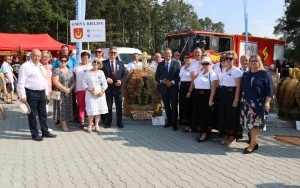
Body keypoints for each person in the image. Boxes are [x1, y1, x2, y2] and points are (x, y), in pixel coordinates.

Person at [18, 49, 57, 141]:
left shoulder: (40, 66)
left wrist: (46, 92)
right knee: (32, 115)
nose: (37, 58)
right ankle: (35, 134)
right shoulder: (25, 66)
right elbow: (21, 82)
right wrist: (22, 96)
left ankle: (45, 131)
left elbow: (44, 80)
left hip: (41, 93)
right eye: (35, 55)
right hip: (31, 93)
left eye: (39, 56)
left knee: (43, 114)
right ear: (31, 56)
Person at [240, 54, 273, 154]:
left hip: (257, 104)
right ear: (249, 63)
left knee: (255, 125)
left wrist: (267, 102)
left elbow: (270, 89)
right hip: (246, 103)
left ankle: (251, 146)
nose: (253, 62)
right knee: (250, 124)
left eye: (256, 61)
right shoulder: (246, 74)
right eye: (252, 60)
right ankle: (254, 142)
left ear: (259, 62)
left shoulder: (264, 74)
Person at [218, 51, 243, 146]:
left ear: (234, 59)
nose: (228, 60)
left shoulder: (236, 71)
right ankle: (225, 135)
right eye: (226, 58)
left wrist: (236, 99)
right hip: (223, 94)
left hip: (232, 95)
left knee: (232, 116)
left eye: (230, 58)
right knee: (224, 115)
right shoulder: (224, 70)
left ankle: (232, 136)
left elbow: (238, 86)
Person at [192, 56, 217, 142]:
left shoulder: (212, 74)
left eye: (207, 63)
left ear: (210, 64)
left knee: (205, 115)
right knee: (199, 114)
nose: (205, 65)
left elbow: (213, 88)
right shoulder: (201, 72)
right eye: (203, 63)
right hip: (198, 95)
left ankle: (205, 133)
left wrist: (210, 100)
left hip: (206, 96)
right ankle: (201, 130)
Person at [155, 48, 181, 131]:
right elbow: (156, 77)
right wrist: (161, 81)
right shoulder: (160, 64)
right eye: (166, 53)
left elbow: (178, 77)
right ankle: (169, 121)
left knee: (174, 106)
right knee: (166, 106)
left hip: (173, 88)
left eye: (169, 53)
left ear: (171, 54)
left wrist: (172, 82)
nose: (167, 55)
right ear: (164, 55)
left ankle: (174, 123)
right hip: (164, 88)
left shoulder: (176, 63)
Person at [101, 46, 126, 128]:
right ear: (108, 53)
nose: (113, 54)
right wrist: (107, 78)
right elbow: (100, 74)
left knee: (119, 106)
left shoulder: (121, 63)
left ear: (116, 54)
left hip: (118, 88)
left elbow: (124, 75)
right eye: (111, 52)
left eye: (114, 53)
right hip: (108, 88)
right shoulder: (103, 63)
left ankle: (119, 122)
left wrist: (121, 81)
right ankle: (108, 122)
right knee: (109, 106)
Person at [83, 58, 108, 132]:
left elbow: (105, 84)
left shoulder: (101, 72)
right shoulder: (87, 72)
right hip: (90, 94)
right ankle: (90, 125)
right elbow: (84, 83)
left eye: (98, 62)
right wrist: (90, 90)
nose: (96, 63)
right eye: (94, 62)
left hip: (100, 94)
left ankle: (97, 125)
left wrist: (102, 91)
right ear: (92, 63)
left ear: (100, 64)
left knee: (98, 110)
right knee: (91, 110)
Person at [52, 55, 75, 131]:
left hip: (68, 92)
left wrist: (70, 88)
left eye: (65, 61)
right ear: (59, 61)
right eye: (62, 60)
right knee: (61, 108)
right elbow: (55, 81)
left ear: (67, 61)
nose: (63, 62)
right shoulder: (57, 70)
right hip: (60, 92)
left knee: (67, 108)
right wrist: (64, 89)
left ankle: (62, 123)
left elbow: (74, 81)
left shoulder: (70, 71)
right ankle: (64, 124)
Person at [74, 51, 93, 128]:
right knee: (81, 105)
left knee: (90, 105)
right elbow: (73, 77)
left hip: (89, 89)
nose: (84, 59)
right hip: (79, 88)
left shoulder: (91, 66)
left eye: (86, 57)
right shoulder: (76, 67)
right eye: (83, 57)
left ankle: (90, 121)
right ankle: (81, 121)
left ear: (88, 58)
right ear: (81, 58)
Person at [179, 52, 194, 132]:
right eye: (185, 57)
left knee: (188, 106)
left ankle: (189, 124)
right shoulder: (182, 67)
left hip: (189, 87)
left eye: (188, 57)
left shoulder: (192, 67)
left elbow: (193, 80)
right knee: (182, 105)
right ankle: (184, 122)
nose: (186, 59)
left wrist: (190, 91)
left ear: (191, 58)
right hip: (182, 87)